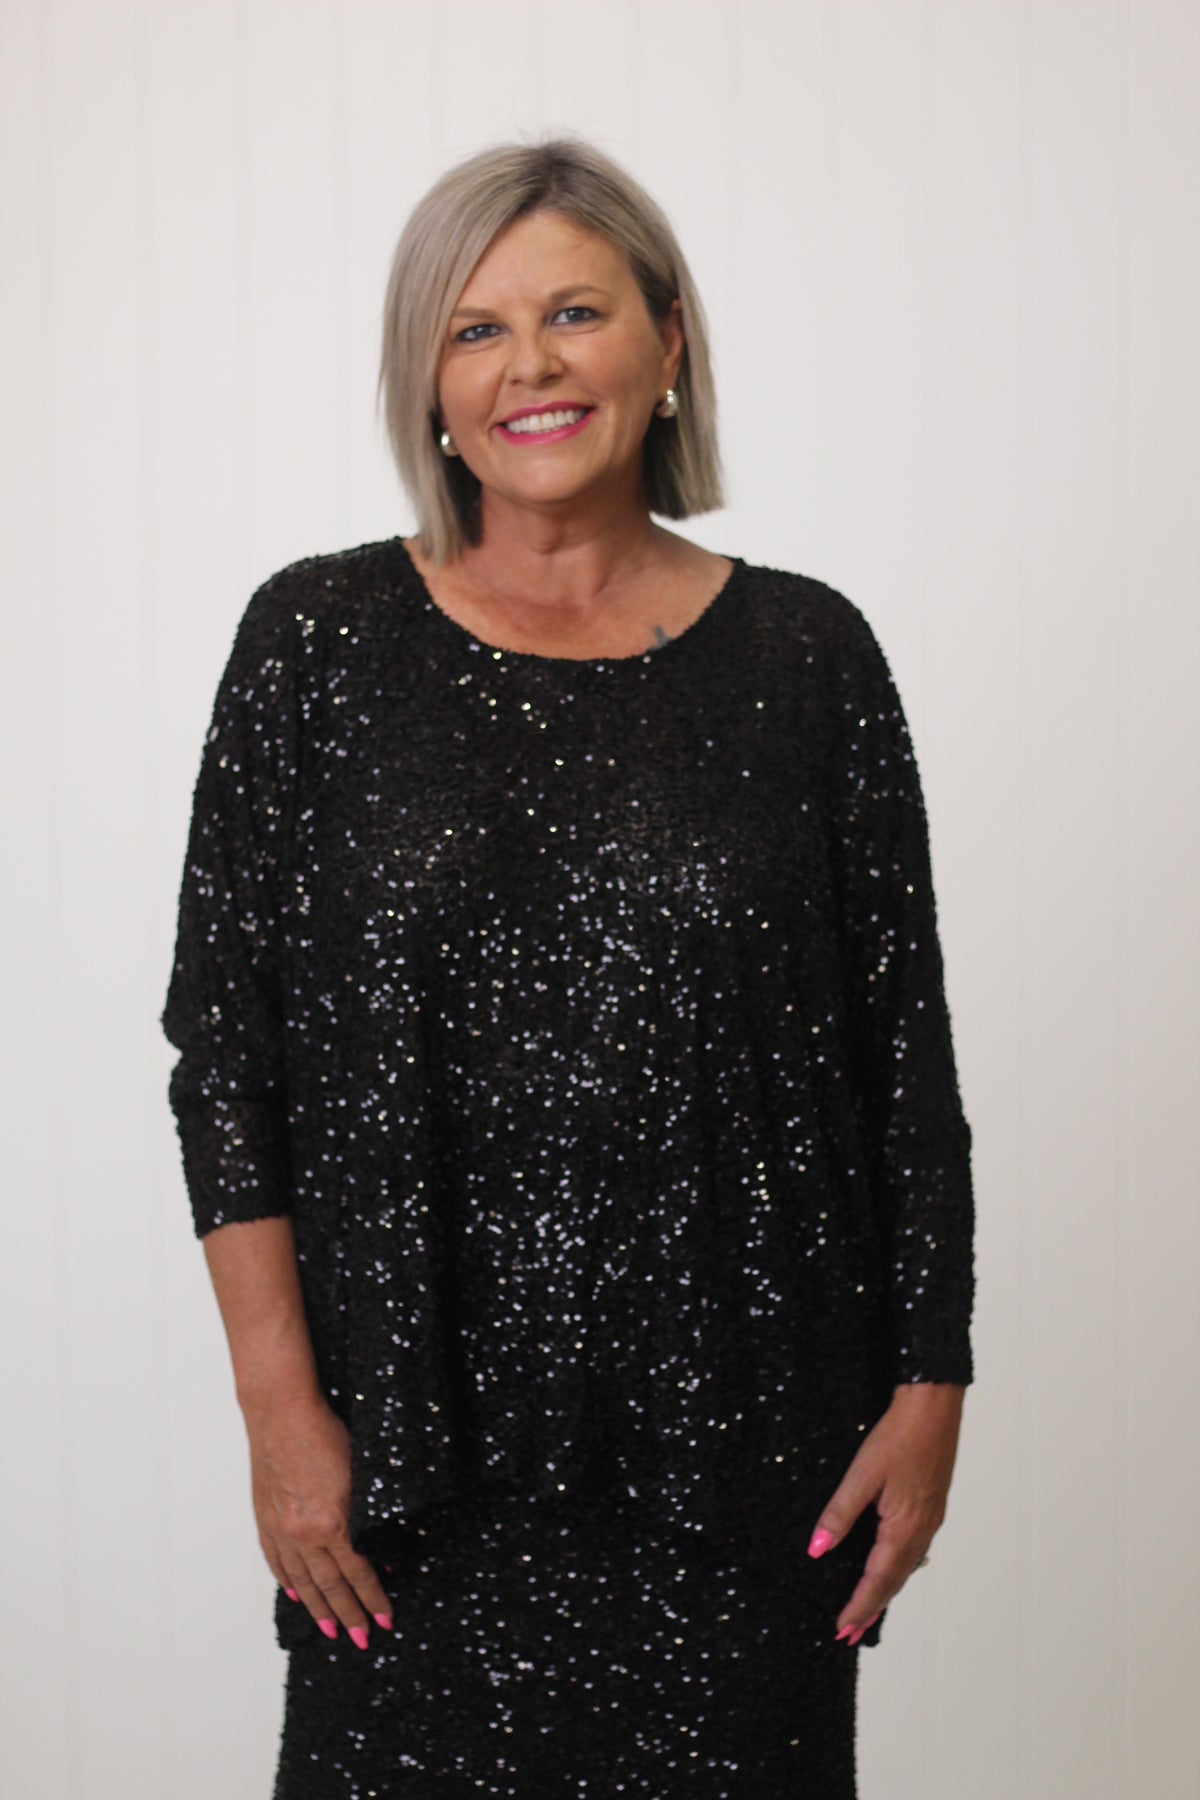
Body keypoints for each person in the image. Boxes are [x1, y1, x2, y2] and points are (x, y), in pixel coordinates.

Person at [161, 134, 975, 1799]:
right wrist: (279, 1413)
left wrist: (932, 1383)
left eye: (576, 313)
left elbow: (903, 1057)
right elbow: (225, 1057)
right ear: (429, 384)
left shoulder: (810, 657)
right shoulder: (315, 644)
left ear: (667, 344)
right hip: (404, 1466)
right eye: (475, 329)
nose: (528, 364)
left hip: (753, 1458)